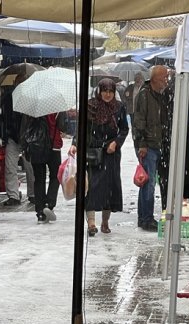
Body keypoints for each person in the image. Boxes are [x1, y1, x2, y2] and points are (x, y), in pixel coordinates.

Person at [71, 79, 128, 236]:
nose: (107, 94)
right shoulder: (91, 106)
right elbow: (81, 128)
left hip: (111, 153)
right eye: (105, 91)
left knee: (110, 188)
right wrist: (75, 143)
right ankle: (91, 223)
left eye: (110, 91)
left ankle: (105, 222)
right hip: (93, 152)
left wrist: (116, 142)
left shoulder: (119, 107)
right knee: (91, 187)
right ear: (99, 91)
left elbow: (124, 129)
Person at [132, 65, 172, 232]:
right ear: (155, 78)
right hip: (147, 145)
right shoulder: (145, 95)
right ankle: (146, 218)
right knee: (148, 184)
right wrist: (142, 144)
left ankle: (144, 218)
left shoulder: (159, 95)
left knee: (147, 182)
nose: (167, 80)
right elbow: (139, 120)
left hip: (155, 143)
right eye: (165, 77)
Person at [21, 112, 62, 223]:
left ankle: (40, 212)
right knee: (56, 176)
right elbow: (64, 126)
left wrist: (24, 147)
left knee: (39, 179)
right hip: (54, 146)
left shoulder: (32, 108)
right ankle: (49, 204)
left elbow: (25, 129)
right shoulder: (57, 109)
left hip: (36, 146)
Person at [0, 84, 35, 206]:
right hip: (15, 137)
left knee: (30, 167)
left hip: (26, 138)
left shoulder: (31, 99)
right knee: (11, 166)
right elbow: (5, 119)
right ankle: (14, 195)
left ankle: (32, 194)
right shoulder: (9, 99)